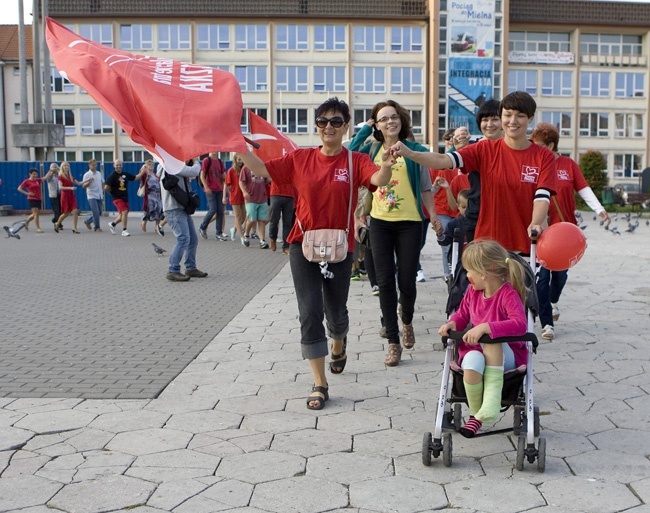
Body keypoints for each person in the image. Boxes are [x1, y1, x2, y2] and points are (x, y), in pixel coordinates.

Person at [239, 97, 394, 410]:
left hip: (340, 247)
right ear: (317, 126)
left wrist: (387, 166)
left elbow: (377, 179)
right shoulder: (301, 159)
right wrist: (237, 145)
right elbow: (261, 169)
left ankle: (339, 341)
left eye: (336, 122)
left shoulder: (355, 160)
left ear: (345, 126)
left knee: (336, 313)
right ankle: (320, 382)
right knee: (310, 312)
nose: (329, 127)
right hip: (303, 244)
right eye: (323, 121)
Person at [391, 91, 556, 255]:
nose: (513, 121)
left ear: (530, 118)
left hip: (525, 245)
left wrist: (535, 223)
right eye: (507, 115)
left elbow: (542, 197)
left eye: (520, 116)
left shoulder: (543, 156)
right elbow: (443, 160)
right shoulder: (483, 149)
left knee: (521, 282)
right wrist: (410, 153)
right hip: (487, 245)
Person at [349, 99, 442, 367]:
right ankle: (393, 341)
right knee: (385, 283)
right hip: (379, 222)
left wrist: (433, 215)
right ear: (378, 125)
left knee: (407, 282)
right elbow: (349, 153)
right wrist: (366, 128)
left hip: (411, 223)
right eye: (383, 119)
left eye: (394, 117)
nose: (390, 122)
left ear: (401, 120)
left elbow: (425, 186)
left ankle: (407, 320)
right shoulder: (371, 149)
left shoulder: (414, 150)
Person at [438, 239, 528, 438]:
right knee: (470, 363)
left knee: (490, 340)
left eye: (469, 271)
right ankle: (477, 414)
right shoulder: (472, 292)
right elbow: (462, 314)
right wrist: (453, 323)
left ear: (484, 273)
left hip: (507, 356)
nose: (467, 276)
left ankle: (492, 402)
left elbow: (520, 324)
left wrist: (487, 327)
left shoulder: (508, 295)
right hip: (477, 350)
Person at [530, 122, 610, 341]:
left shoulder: (568, 165)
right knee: (541, 279)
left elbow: (583, 189)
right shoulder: (532, 164)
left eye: (539, 145)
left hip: (565, 232)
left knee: (561, 275)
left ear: (551, 145)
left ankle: (554, 301)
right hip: (542, 232)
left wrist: (600, 210)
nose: (535, 149)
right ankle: (547, 324)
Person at [448, 99, 503, 242]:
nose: (489, 124)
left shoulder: (514, 149)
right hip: (476, 215)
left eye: (495, 119)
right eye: (485, 120)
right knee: (477, 262)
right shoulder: (473, 148)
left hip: (505, 215)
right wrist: (460, 149)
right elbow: (446, 161)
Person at [160, 159, 208, 282]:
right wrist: (196, 161)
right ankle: (173, 270)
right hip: (173, 209)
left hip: (181, 208)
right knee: (183, 238)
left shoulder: (174, 166)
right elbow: (194, 171)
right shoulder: (171, 165)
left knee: (192, 239)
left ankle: (190, 268)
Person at [105, 159, 143, 237]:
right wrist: (112, 194)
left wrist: (144, 171)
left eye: (120, 164)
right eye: (117, 165)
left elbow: (136, 177)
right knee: (124, 212)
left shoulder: (124, 174)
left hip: (124, 197)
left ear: (122, 165)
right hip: (117, 198)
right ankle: (124, 230)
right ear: (114, 165)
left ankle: (113, 224)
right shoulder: (112, 176)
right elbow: (106, 188)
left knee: (124, 214)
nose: (118, 166)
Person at [239, 162, 270, 249]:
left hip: (262, 197)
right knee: (252, 219)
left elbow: (266, 180)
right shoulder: (246, 167)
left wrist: (271, 178)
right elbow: (241, 181)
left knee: (262, 220)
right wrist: (244, 192)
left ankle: (262, 240)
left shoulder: (262, 167)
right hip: (250, 198)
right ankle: (246, 234)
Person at [198, 152, 228, 241]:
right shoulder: (207, 160)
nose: (215, 151)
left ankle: (219, 233)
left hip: (219, 189)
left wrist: (228, 182)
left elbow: (223, 176)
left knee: (220, 211)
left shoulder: (219, 161)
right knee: (213, 209)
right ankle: (202, 227)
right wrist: (206, 187)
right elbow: (202, 175)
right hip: (210, 189)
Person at [55, 161, 88, 233]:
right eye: (65, 166)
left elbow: (78, 183)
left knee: (75, 211)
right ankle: (57, 223)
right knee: (66, 213)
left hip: (71, 195)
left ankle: (75, 228)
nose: (66, 167)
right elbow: (60, 187)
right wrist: (70, 188)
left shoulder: (70, 176)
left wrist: (87, 180)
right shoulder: (60, 176)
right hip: (65, 196)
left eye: (67, 166)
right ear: (62, 167)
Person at [18, 168, 51, 233]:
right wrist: (27, 193)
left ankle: (26, 222)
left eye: (36, 174)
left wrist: (51, 170)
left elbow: (46, 177)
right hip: (31, 199)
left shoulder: (37, 180)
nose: (35, 175)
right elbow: (19, 188)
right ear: (30, 174)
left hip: (38, 198)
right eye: (33, 174)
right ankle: (38, 228)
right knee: (36, 214)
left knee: (35, 214)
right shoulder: (26, 181)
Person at [268, 179, 296, 254]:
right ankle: (273, 237)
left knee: (288, 223)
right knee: (274, 220)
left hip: (290, 194)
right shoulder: (275, 166)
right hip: (276, 193)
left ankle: (286, 247)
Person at [139, 159, 166, 236]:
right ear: (146, 165)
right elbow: (141, 176)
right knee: (149, 210)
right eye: (149, 165)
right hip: (150, 195)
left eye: (152, 165)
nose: (151, 167)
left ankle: (157, 226)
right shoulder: (145, 174)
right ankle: (144, 222)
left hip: (157, 194)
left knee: (159, 209)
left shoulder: (155, 174)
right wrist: (143, 168)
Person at [82, 159, 104, 232]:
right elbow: (84, 186)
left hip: (99, 194)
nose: (94, 166)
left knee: (100, 212)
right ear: (89, 165)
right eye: (93, 165)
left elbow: (102, 182)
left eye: (95, 165)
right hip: (91, 195)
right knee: (95, 211)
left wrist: (104, 189)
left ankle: (88, 221)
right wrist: (89, 182)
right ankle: (97, 227)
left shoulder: (99, 173)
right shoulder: (87, 175)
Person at [44, 163, 62, 230]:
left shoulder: (59, 175)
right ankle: (58, 224)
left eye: (56, 167)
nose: (55, 169)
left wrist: (59, 170)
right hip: (53, 195)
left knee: (61, 210)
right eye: (53, 167)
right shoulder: (49, 175)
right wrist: (51, 171)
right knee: (56, 210)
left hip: (60, 194)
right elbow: (48, 178)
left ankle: (55, 220)